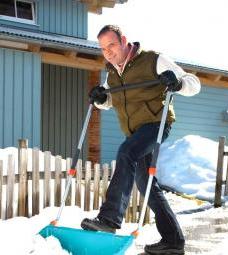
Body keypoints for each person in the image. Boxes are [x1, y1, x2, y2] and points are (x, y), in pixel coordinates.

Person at [81, 25, 201, 255]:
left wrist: (176, 82)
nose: (108, 52)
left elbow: (192, 83)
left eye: (112, 45)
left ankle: (109, 218)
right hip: (135, 133)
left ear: (124, 40)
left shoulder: (153, 60)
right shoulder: (113, 74)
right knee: (146, 184)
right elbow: (108, 101)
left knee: (126, 153)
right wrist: (99, 98)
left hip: (157, 124)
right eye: (103, 49)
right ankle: (173, 241)